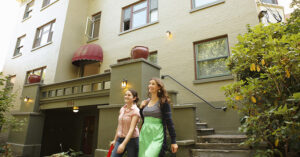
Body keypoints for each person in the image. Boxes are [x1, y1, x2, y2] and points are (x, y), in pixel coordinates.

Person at [139, 78, 178, 157]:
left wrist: (173, 141)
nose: (150, 85)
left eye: (153, 84)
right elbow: (143, 118)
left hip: (157, 134)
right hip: (144, 134)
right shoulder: (146, 102)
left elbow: (169, 122)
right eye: (149, 83)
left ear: (159, 87)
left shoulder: (163, 102)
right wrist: (141, 108)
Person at [110, 89, 140, 157]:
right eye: (125, 95)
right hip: (120, 139)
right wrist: (115, 140)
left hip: (132, 140)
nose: (126, 96)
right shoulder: (122, 109)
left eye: (129, 95)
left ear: (134, 98)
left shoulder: (136, 111)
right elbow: (119, 126)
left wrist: (123, 144)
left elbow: (131, 129)